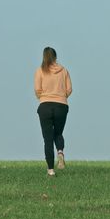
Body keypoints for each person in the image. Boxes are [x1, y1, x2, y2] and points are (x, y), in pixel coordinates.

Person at [34, 47, 72, 177]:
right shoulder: (64, 71)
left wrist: (45, 97)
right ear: (55, 57)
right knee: (58, 133)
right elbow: (69, 89)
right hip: (61, 106)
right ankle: (60, 152)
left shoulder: (40, 71)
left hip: (45, 106)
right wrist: (61, 96)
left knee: (48, 139)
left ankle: (50, 170)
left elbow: (37, 90)